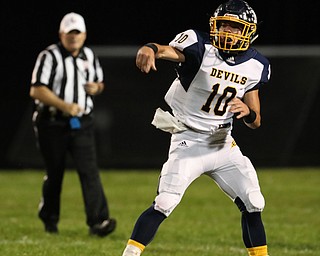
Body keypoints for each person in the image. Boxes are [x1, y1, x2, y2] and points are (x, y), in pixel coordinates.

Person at [121, 0, 270, 255]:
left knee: (254, 202)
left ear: (248, 31)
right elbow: (167, 51)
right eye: (222, 25)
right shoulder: (200, 47)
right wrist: (150, 48)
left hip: (223, 143)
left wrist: (249, 111)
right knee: (165, 201)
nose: (226, 31)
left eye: (233, 27)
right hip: (188, 140)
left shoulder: (256, 65)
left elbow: (255, 121)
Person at [30, 12, 116, 237]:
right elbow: (36, 89)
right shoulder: (49, 56)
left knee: (89, 171)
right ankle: (49, 219)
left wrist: (97, 89)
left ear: (84, 34)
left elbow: (100, 83)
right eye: (70, 33)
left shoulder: (89, 55)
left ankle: (98, 222)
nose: (74, 37)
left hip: (81, 124)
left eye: (77, 33)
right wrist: (65, 106)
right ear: (61, 34)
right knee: (55, 172)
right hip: (52, 123)